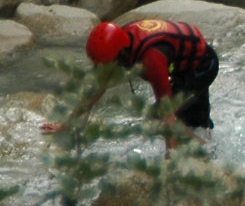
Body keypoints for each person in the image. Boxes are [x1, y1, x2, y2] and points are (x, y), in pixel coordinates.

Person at [43, 17, 218, 152]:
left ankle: (205, 152)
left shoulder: (152, 59)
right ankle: (208, 147)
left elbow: (167, 113)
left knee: (159, 119)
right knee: (198, 125)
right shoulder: (121, 42)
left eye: (103, 64)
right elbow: (95, 91)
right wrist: (66, 125)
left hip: (202, 68)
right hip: (186, 63)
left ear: (119, 55)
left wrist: (170, 158)